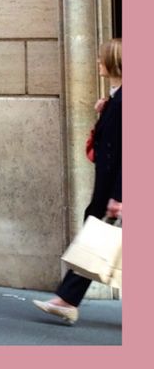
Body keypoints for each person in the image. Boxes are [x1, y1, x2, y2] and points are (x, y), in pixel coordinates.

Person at [33, 38, 122, 325]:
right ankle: (67, 300)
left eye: (101, 58)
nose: (97, 63)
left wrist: (120, 195)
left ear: (115, 63)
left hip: (115, 188)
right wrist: (105, 109)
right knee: (94, 236)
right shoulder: (116, 98)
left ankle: (67, 300)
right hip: (107, 186)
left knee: (96, 236)